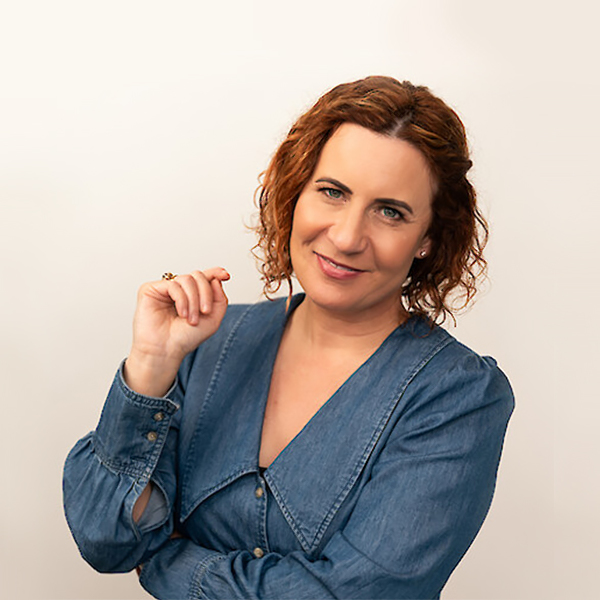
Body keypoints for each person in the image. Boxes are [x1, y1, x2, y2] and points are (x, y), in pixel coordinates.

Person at [63, 76, 514, 600]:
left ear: (427, 239)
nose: (346, 237)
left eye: (390, 211)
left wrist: (167, 565)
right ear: (296, 192)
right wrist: (149, 366)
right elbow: (106, 540)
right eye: (332, 192)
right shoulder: (204, 343)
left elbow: (358, 593)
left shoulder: (457, 395)